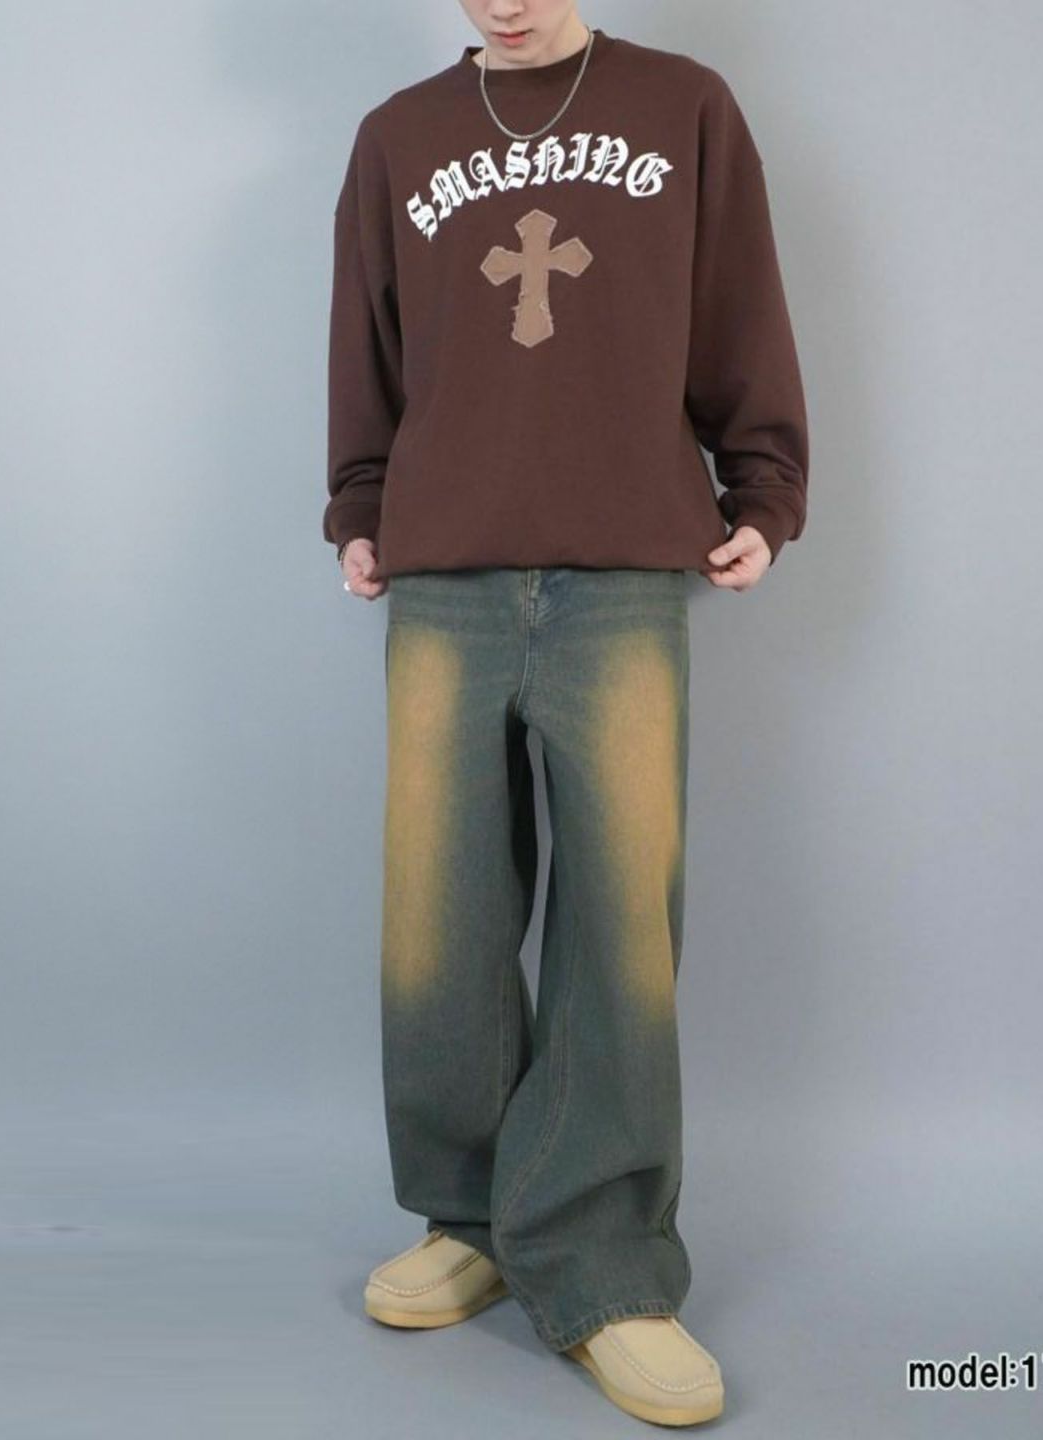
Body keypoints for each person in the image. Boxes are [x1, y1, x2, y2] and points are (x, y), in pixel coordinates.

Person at [323, 1, 809, 1425]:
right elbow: (368, 336)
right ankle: (474, 1218)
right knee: (440, 918)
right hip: (446, 574)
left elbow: (738, 303)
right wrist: (361, 501)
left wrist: (765, 484)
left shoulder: (684, 105)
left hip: (622, 569)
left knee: (618, 923)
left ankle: (604, 1266)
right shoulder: (399, 136)